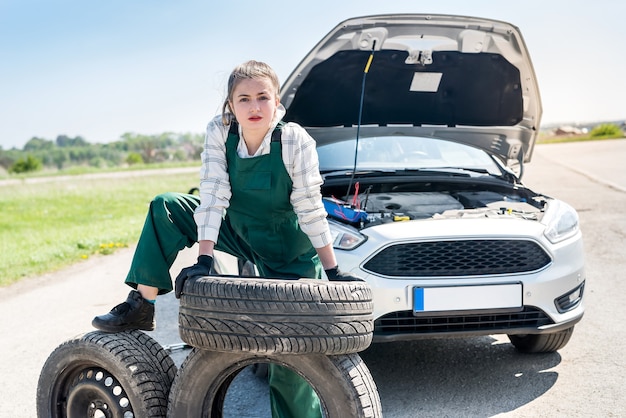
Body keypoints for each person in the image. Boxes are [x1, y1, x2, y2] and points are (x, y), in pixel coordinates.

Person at [92, 60, 361, 418]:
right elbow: (214, 192)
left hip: (289, 251)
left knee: (290, 352)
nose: (254, 107)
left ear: (277, 99)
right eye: (244, 98)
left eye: (262, 97)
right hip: (237, 231)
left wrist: (333, 271)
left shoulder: (294, 139)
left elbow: (310, 206)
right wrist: (204, 258)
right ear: (230, 105)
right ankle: (142, 304)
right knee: (166, 207)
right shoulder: (220, 131)